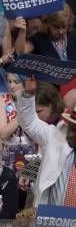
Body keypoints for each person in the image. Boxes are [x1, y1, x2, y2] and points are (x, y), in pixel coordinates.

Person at [17, 78, 76, 207]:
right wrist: (28, 94)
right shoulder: (55, 134)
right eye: (71, 126)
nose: (70, 133)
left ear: (52, 106)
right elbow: (29, 122)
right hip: (51, 217)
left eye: (75, 129)